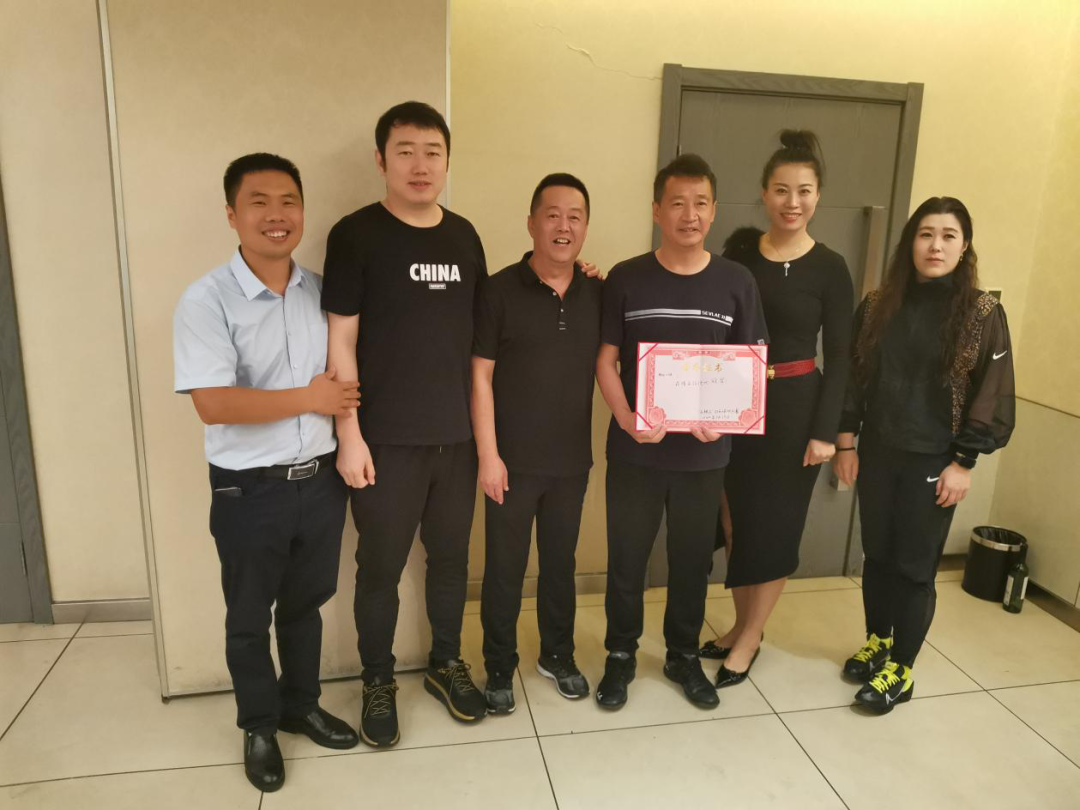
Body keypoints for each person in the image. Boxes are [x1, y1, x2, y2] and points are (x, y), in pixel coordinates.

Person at [173, 153, 361, 792]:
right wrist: (310, 398)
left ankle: (300, 705)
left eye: (288, 201)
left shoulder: (321, 292)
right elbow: (213, 403)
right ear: (233, 214)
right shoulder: (206, 299)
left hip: (321, 480)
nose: (276, 215)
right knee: (249, 616)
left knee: (306, 606)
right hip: (248, 489)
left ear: (302, 210)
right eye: (258, 202)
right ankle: (258, 725)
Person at [321, 102, 489, 747]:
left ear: (447, 160)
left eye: (432, 152)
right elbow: (340, 342)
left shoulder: (465, 236)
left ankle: (446, 662)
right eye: (405, 152)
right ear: (381, 160)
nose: (421, 165)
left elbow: (480, 341)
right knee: (380, 569)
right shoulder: (355, 235)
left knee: (450, 560)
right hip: (384, 441)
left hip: (457, 439)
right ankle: (377, 680)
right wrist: (350, 435)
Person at [595, 154, 769, 710]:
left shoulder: (736, 282)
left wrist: (726, 418)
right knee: (627, 558)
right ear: (657, 211)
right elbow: (605, 359)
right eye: (677, 203)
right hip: (636, 452)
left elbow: (751, 366)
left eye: (700, 204)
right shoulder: (626, 277)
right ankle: (620, 654)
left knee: (692, 561)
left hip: (703, 457)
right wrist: (627, 418)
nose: (689, 215)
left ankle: (682, 655)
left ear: (713, 211)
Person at [833, 196, 1015, 713]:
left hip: (936, 460)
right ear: (910, 242)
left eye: (948, 235)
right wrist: (846, 441)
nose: (936, 246)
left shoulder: (982, 312)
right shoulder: (877, 305)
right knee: (877, 556)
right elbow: (854, 376)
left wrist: (964, 462)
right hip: (879, 452)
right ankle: (878, 640)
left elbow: (993, 391)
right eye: (925, 234)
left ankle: (901, 668)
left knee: (914, 567)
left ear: (964, 245)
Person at [699, 131, 854, 688]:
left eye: (804, 191)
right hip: (737, 406)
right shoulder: (739, 258)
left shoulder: (830, 267)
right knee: (736, 521)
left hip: (796, 411)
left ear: (818, 196)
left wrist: (828, 433)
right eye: (782, 190)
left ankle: (750, 636)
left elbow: (842, 357)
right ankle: (742, 626)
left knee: (777, 528)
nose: (793, 202)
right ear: (764, 194)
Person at [472, 173, 602, 714]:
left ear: (585, 227)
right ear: (531, 223)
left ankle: (557, 655)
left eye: (575, 216)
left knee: (559, 565)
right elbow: (479, 376)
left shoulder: (598, 292)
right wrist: (488, 455)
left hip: (571, 462)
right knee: (504, 569)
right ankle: (499, 666)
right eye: (552, 214)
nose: (563, 226)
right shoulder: (498, 290)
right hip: (511, 462)